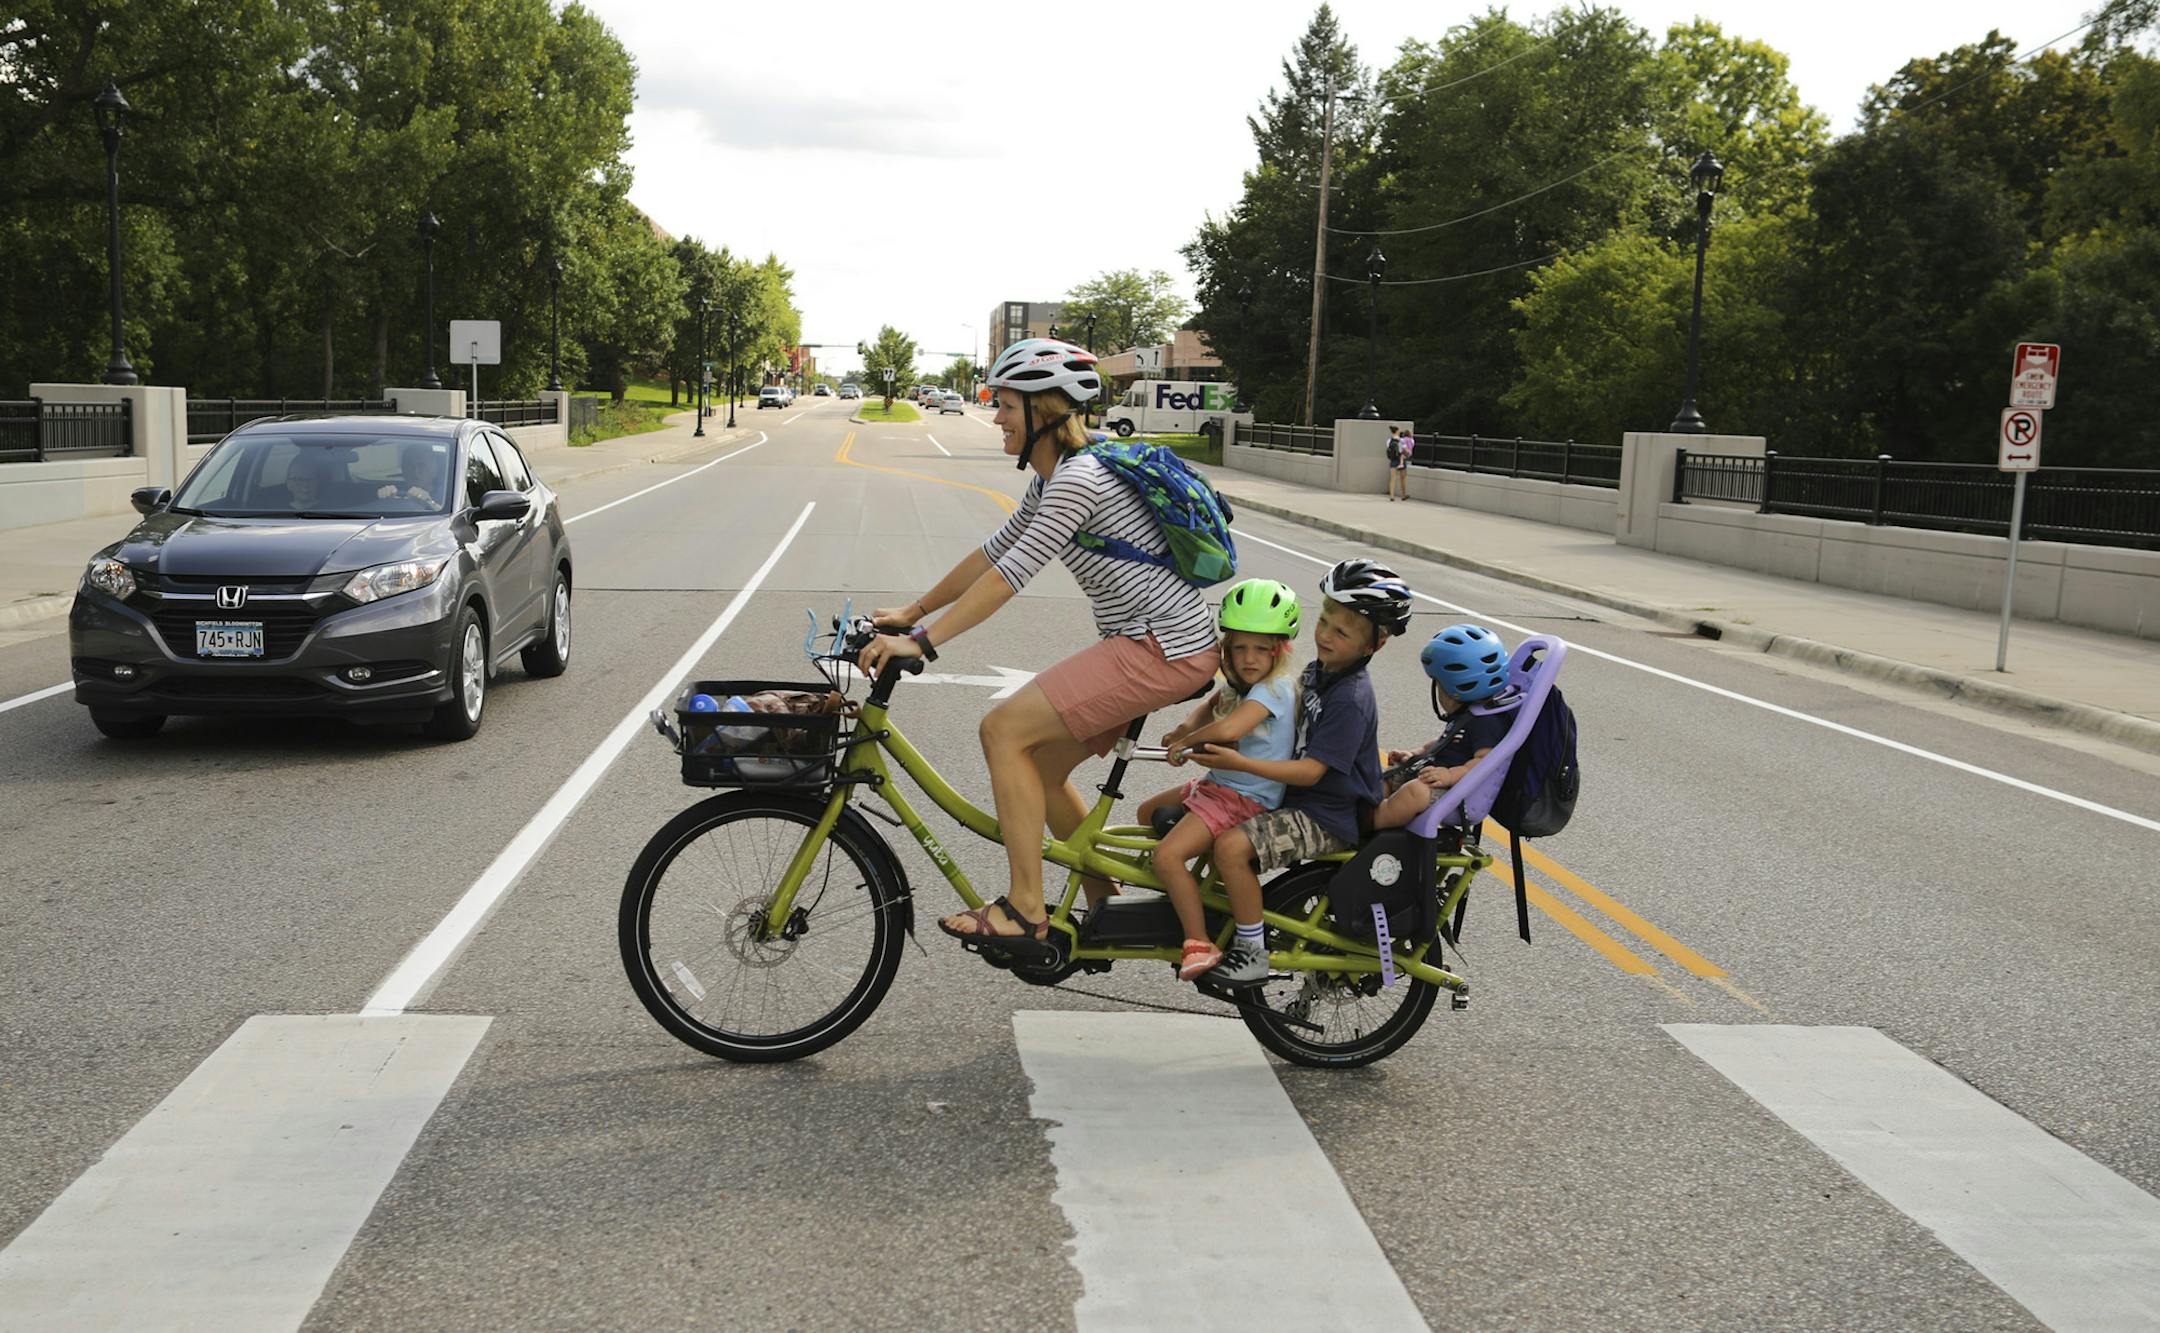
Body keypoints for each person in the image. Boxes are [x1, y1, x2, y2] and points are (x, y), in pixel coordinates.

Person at [856, 337, 1221, 958]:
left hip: (1162, 648)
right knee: (1044, 769)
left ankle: (1025, 909)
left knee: (1002, 730)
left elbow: (1009, 577)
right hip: (1155, 644)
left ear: (1044, 411)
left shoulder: (1081, 479)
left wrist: (924, 642)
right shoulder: (1057, 475)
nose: (995, 416)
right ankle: (1104, 904)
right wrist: (913, 611)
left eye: (1005, 405)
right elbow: (993, 552)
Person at [1187, 559, 1412, 983]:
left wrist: (1240, 762)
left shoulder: (1350, 697)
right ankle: (1227, 905)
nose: (1325, 635)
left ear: (1374, 646)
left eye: (1342, 632)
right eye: (1325, 620)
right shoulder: (1320, 673)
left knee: (1232, 848)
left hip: (1326, 814)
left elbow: (1311, 772)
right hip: (1296, 798)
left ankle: (1251, 950)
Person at [1135, 579, 1302, 980]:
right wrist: (1182, 730)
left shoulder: (1274, 689)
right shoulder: (1241, 685)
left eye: (1262, 649)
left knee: (1168, 856)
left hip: (1244, 797)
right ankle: (1195, 893)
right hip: (1218, 787)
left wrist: (1185, 745)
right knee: (1147, 812)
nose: (1249, 658)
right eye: (1240, 647)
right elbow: (1211, 707)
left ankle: (1198, 941)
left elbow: (1228, 730)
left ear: (1279, 651)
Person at [1373, 623, 1513, 827]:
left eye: (1439, 685)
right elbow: (1444, 741)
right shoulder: (1467, 714)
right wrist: (1415, 753)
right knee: (1387, 776)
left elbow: (1485, 762)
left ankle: (1372, 824)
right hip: (1434, 776)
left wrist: (1450, 775)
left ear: (1454, 690)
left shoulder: (1487, 722)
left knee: (1414, 792)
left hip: (1455, 794)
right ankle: (1363, 808)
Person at [377, 441, 444, 506]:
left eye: (422, 465)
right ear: (403, 469)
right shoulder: (395, 493)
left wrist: (429, 502)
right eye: (409, 465)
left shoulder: (446, 496)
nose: (415, 471)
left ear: (434, 470)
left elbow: (446, 515)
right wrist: (385, 500)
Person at [1386, 424, 1414, 501]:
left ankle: (1392, 496)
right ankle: (1403, 495)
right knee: (1403, 478)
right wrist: (1408, 453)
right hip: (1401, 460)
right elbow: (1405, 451)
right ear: (1397, 431)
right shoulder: (1401, 440)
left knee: (1392, 478)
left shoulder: (1389, 440)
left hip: (1393, 460)